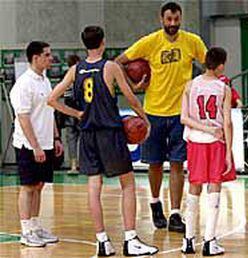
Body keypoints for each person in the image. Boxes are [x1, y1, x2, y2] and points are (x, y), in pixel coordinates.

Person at [48, 26, 158, 256]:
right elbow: (132, 100)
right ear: (103, 42)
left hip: (87, 135)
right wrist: (146, 121)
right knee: (128, 185)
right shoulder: (110, 67)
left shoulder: (75, 70)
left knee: (93, 188)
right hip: (109, 133)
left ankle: (102, 242)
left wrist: (77, 114)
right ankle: (130, 239)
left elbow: (52, 99)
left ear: (85, 44)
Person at [115, 1, 207, 232]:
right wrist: (133, 85)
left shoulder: (192, 41)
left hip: (181, 114)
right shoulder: (150, 42)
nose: (173, 24)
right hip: (153, 112)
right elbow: (118, 63)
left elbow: (210, 65)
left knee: (177, 163)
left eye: (176, 19)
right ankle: (155, 203)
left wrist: (201, 86)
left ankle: (175, 213)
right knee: (155, 164)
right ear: (162, 19)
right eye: (169, 20)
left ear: (181, 18)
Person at [180, 47, 236, 256]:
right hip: (215, 142)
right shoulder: (224, 88)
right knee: (214, 190)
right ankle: (209, 241)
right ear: (221, 65)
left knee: (194, 189)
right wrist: (228, 152)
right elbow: (228, 123)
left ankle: (188, 240)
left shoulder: (190, 85)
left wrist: (202, 128)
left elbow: (183, 118)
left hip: (195, 142)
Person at [10, 41, 64, 247]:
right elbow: (23, 118)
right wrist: (36, 147)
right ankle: (25, 231)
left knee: (40, 186)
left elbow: (49, 110)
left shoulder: (45, 80)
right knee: (28, 187)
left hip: (46, 142)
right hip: (28, 145)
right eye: (47, 55)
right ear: (36, 58)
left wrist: (56, 138)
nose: (51, 58)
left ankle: (35, 226)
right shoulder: (24, 84)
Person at [63, 54, 81, 175]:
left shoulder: (65, 78)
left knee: (71, 140)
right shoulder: (81, 76)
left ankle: (74, 165)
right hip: (80, 111)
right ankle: (82, 164)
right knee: (84, 138)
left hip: (69, 112)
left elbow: (66, 97)